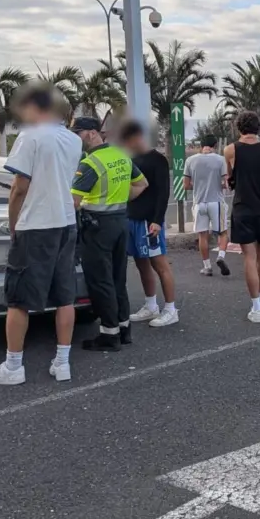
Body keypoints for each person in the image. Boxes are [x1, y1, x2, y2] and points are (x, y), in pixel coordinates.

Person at [0, 83, 83, 386]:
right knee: (65, 296)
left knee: (18, 299)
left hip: (35, 225)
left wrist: (13, 226)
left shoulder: (30, 136)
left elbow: (19, 187)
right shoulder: (73, 140)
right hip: (66, 223)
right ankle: (62, 363)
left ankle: (13, 366)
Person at [70, 116, 149, 350]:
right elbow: (142, 184)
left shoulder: (90, 163)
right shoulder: (120, 155)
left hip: (97, 227)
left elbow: (73, 202)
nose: (77, 138)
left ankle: (109, 335)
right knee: (118, 278)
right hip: (120, 222)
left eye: (79, 133)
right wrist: (121, 200)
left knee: (100, 281)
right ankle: (124, 329)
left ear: (93, 133)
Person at [118, 120, 179, 328]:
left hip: (149, 222)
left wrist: (157, 221)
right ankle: (151, 305)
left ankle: (171, 309)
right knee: (141, 263)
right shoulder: (129, 158)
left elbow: (163, 193)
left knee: (159, 264)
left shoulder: (157, 160)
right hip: (131, 218)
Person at [225, 111, 260, 323]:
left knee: (249, 256)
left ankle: (256, 305)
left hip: (242, 207)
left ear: (239, 128)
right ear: (259, 128)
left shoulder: (230, 150)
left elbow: (230, 179)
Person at [186, 134, 230, 277]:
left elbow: (186, 185)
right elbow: (225, 182)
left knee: (202, 235)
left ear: (201, 145)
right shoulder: (220, 160)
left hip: (199, 203)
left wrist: (198, 185)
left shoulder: (190, 160)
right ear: (215, 145)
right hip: (216, 201)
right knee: (222, 232)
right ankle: (221, 256)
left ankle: (207, 267)